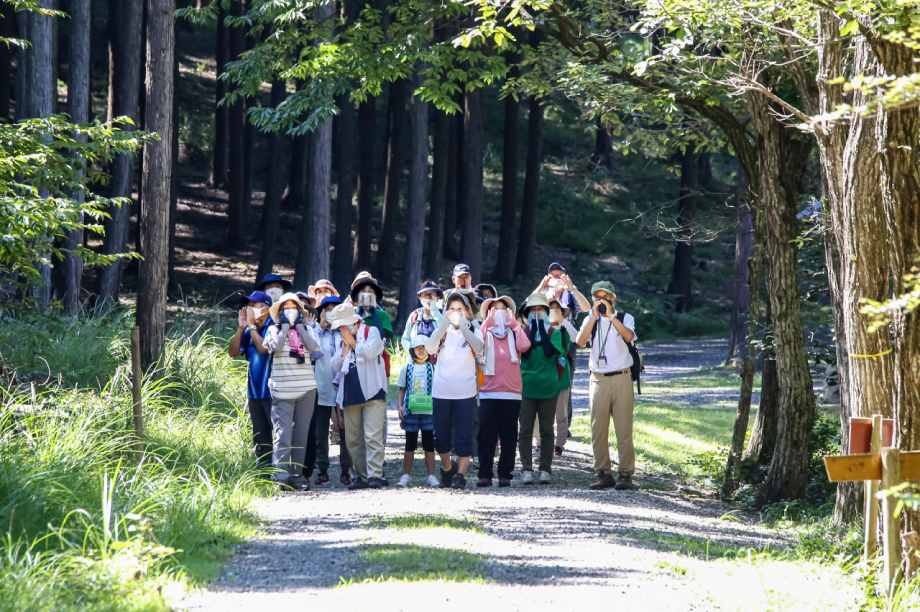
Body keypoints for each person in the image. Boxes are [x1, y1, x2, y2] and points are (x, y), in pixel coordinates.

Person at [575, 280, 639, 491]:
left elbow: (629, 336)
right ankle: (602, 473)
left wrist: (611, 316)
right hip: (598, 379)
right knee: (598, 429)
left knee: (624, 428)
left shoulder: (624, 317)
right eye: (597, 298)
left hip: (622, 377)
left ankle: (625, 474)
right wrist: (594, 317)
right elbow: (580, 341)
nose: (602, 301)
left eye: (606, 297)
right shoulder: (590, 320)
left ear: (614, 298)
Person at [262, 292, 322, 490]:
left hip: (306, 389)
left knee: (301, 434)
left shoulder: (308, 330)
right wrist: (286, 327)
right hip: (281, 390)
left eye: (294, 308)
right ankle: (280, 475)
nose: (290, 311)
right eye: (286, 308)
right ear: (280, 312)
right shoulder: (272, 329)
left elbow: (314, 349)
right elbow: (276, 347)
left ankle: (297, 475)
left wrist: (300, 328)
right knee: (282, 434)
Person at [424, 292, 484, 489]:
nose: (456, 313)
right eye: (452, 309)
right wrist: (443, 326)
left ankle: (460, 475)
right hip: (441, 392)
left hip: (465, 393)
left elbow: (480, 347)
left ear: (467, 312)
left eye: (461, 309)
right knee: (440, 438)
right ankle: (448, 468)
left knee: (464, 436)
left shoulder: (474, 330)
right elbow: (429, 348)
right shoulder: (441, 332)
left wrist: (464, 327)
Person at [330, 302, 389, 490]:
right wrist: (346, 348)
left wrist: (354, 343)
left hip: (373, 391)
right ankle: (361, 476)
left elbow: (371, 352)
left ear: (354, 322)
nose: (342, 329)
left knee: (373, 436)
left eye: (344, 325)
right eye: (340, 327)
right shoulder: (342, 341)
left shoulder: (371, 332)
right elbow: (335, 365)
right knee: (353, 439)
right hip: (350, 394)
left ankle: (375, 476)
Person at [476, 295, 531, 487]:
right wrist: (487, 324)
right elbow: (476, 346)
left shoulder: (516, 331)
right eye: (495, 309)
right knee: (486, 436)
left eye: (503, 309)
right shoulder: (483, 331)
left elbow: (524, 346)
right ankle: (484, 474)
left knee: (509, 436)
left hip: (511, 392)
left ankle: (505, 474)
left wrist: (514, 324)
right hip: (487, 392)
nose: (499, 313)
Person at [350, 271, 393, 485]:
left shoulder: (381, 316)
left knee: (373, 431)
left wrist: (372, 312)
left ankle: (375, 473)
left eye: (370, 292)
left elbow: (382, 339)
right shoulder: (348, 315)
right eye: (362, 292)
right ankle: (361, 475)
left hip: (376, 373)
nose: (366, 295)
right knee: (354, 435)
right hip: (352, 377)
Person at [517, 293, 565, 485]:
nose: (537, 314)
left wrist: (541, 330)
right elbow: (525, 353)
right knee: (525, 430)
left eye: (541, 310)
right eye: (533, 310)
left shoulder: (556, 333)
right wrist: (531, 330)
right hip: (526, 387)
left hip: (548, 387)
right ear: (527, 313)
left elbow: (549, 352)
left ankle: (545, 469)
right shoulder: (521, 331)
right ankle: (526, 469)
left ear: (547, 312)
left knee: (546, 430)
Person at [306, 294, 353, 487]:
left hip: (344, 387)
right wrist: (321, 326)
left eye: (335, 308)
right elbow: (310, 353)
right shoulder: (315, 331)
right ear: (321, 312)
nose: (331, 312)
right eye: (327, 309)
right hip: (321, 386)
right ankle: (322, 469)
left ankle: (345, 471)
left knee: (346, 431)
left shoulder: (346, 331)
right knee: (320, 431)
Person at [228, 290, 274, 471]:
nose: (248, 309)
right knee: (260, 435)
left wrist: (253, 327)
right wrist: (241, 328)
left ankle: (282, 472)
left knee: (277, 433)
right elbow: (233, 352)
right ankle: (264, 472)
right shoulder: (248, 330)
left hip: (272, 391)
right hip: (254, 392)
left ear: (266, 308)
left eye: (253, 305)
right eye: (248, 305)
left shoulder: (273, 326)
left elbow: (263, 349)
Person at [395, 336, 440, 488]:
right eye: (417, 347)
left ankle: (431, 476)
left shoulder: (433, 368)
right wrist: (400, 406)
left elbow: (438, 389)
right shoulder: (406, 368)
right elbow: (402, 389)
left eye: (424, 347)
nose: (421, 350)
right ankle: (406, 475)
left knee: (429, 444)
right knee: (409, 444)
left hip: (429, 412)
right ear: (412, 351)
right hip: (411, 412)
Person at [401, 280, 444, 351]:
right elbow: (405, 339)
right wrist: (413, 352)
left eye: (432, 294)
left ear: (437, 298)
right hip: (417, 360)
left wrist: (434, 311)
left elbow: (445, 333)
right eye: (425, 295)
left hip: (438, 359)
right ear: (420, 298)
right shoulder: (414, 315)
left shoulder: (443, 314)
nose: (429, 298)